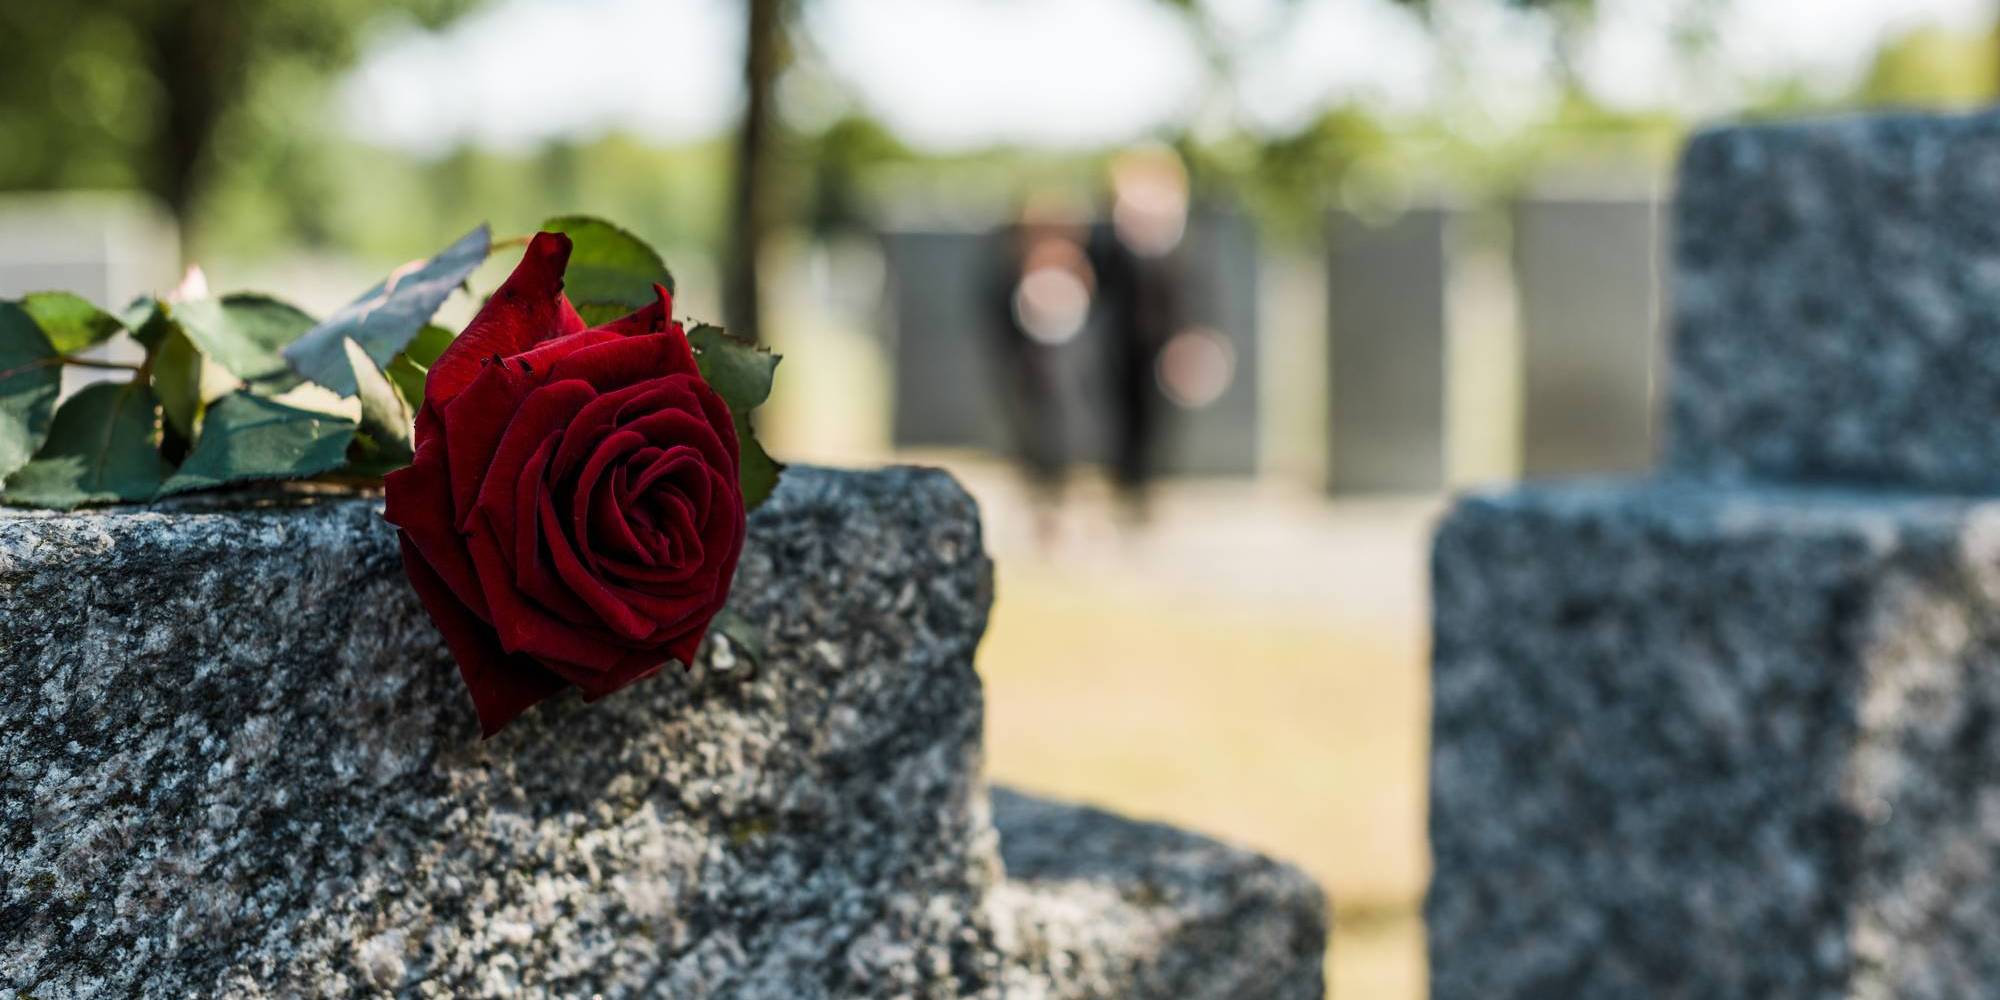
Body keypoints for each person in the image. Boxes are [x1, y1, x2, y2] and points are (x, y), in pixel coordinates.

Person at [1088, 144, 1189, 523]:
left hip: (1161, 347)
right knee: (1118, 419)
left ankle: (1143, 491)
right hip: (1116, 347)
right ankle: (1124, 488)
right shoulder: (1111, 240)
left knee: (1154, 422)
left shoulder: (1178, 240)